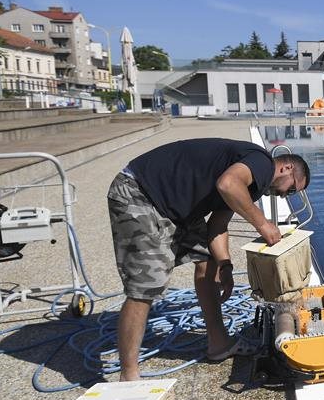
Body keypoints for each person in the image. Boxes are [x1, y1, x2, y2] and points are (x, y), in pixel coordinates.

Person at [107, 138, 310, 381]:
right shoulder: (263, 162)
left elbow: (217, 225)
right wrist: (263, 224)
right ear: (287, 168)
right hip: (140, 192)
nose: (284, 195)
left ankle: (219, 343)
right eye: (291, 189)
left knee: (208, 261)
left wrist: (225, 265)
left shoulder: (252, 183)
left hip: (174, 204)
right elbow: (227, 184)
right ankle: (128, 376)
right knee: (145, 287)